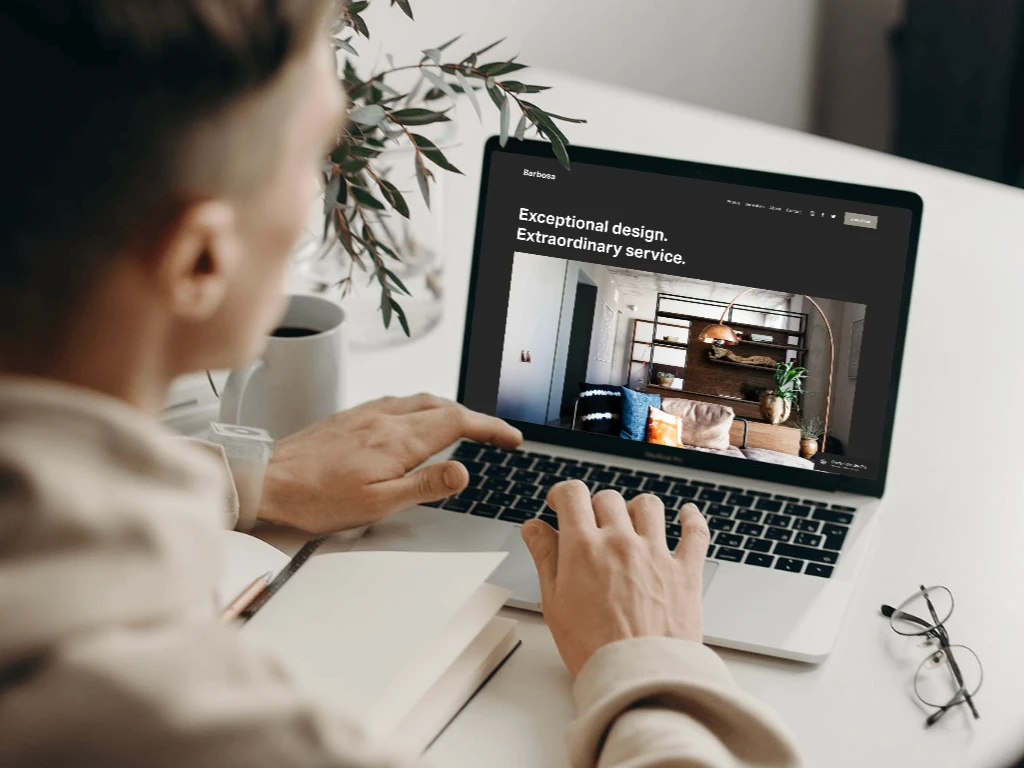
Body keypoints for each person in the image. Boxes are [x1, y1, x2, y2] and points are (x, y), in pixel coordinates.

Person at [0, 2, 803, 766]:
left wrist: (256, 479)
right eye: (315, 161)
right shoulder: (173, 724)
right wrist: (649, 660)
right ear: (201, 260)